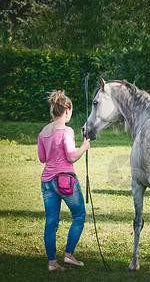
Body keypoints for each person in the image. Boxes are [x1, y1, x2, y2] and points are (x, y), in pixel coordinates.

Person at [37, 90, 90, 271]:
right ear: (66, 110)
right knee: (79, 215)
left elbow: (42, 158)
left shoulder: (43, 131)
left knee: (51, 221)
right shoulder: (66, 131)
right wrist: (83, 147)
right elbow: (71, 157)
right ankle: (68, 255)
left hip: (47, 181)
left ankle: (52, 263)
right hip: (65, 181)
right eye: (71, 111)